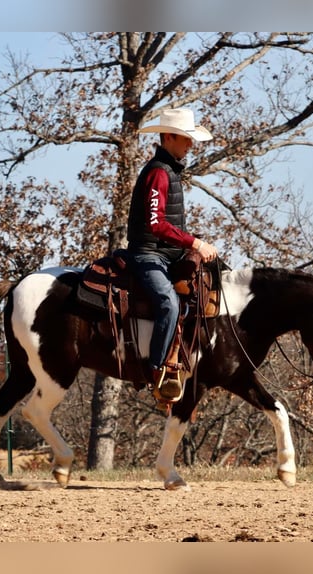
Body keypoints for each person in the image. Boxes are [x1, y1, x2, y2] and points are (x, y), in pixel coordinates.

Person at [126, 107, 219, 402]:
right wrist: (195, 243)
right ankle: (156, 371)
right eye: (184, 139)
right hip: (148, 254)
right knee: (167, 303)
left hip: (166, 254)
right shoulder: (158, 174)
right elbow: (156, 225)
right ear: (168, 138)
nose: (190, 145)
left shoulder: (169, 171)